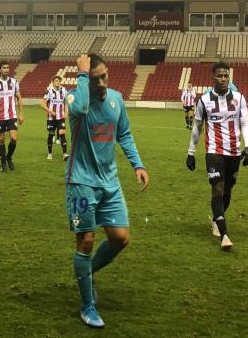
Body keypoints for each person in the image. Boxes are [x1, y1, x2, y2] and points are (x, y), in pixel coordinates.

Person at [65, 53, 149, 329]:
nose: (102, 82)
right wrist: (81, 74)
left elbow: (123, 133)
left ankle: (85, 273)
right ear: (84, 80)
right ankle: (87, 305)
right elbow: (78, 110)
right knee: (86, 241)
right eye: (95, 78)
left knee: (120, 238)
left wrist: (137, 164)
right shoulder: (77, 100)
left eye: (105, 76)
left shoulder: (116, 99)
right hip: (80, 184)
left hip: (110, 184)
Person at [186, 61, 248, 251]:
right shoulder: (204, 100)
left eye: (226, 76)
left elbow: (245, 124)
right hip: (214, 151)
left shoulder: (239, 98)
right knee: (217, 188)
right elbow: (197, 127)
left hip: (234, 152)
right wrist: (191, 153)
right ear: (212, 78)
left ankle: (216, 218)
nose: (223, 79)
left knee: (228, 191)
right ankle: (224, 235)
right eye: (219, 76)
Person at [0, 61, 24, 172]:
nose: (6, 69)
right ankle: (3, 163)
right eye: (4, 68)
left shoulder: (14, 82)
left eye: (8, 68)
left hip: (12, 115)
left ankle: (8, 157)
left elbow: (19, 98)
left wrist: (21, 113)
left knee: (14, 138)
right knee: (1, 139)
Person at [41, 75, 69, 160]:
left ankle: (64, 154)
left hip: (60, 117)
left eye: (59, 81)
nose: (58, 82)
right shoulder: (49, 91)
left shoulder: (64, 90)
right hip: (51, 118)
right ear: (53, 82)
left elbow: (66, 102)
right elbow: (42, 104)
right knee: (51, 134)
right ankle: (49, 153)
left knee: (62, 134)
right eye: (56, 81)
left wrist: (66, 112)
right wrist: (50, 111)